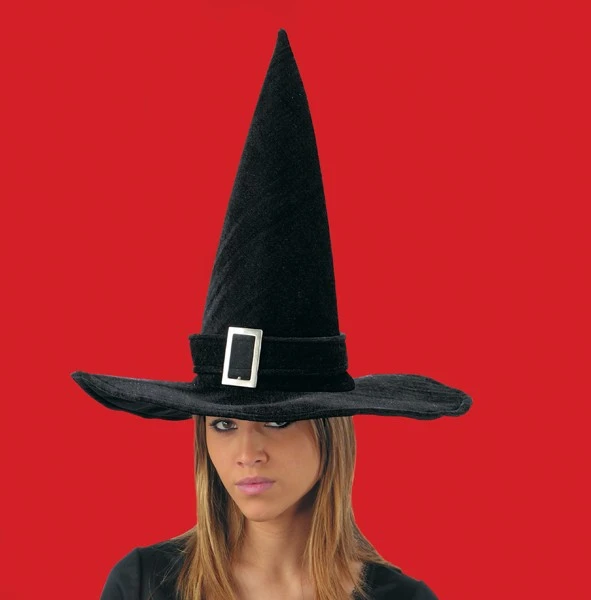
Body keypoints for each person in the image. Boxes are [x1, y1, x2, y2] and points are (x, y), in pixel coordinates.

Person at [72, 29, 472, 600]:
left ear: (330, 430)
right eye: (224, 424)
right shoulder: (144, 584)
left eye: (277, 420)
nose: (246, 452)